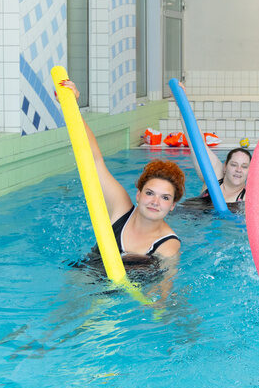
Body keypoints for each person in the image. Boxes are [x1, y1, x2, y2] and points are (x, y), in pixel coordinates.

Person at [58, 80, 185, 263]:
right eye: (150, 193)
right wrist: (72, 107)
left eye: (165, 197)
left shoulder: (168, 245)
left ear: (172, 205)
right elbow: (95, 162)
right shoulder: (121, 209)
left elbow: (162, 290)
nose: (155, 202)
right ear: (138, 195)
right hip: (87, 278)